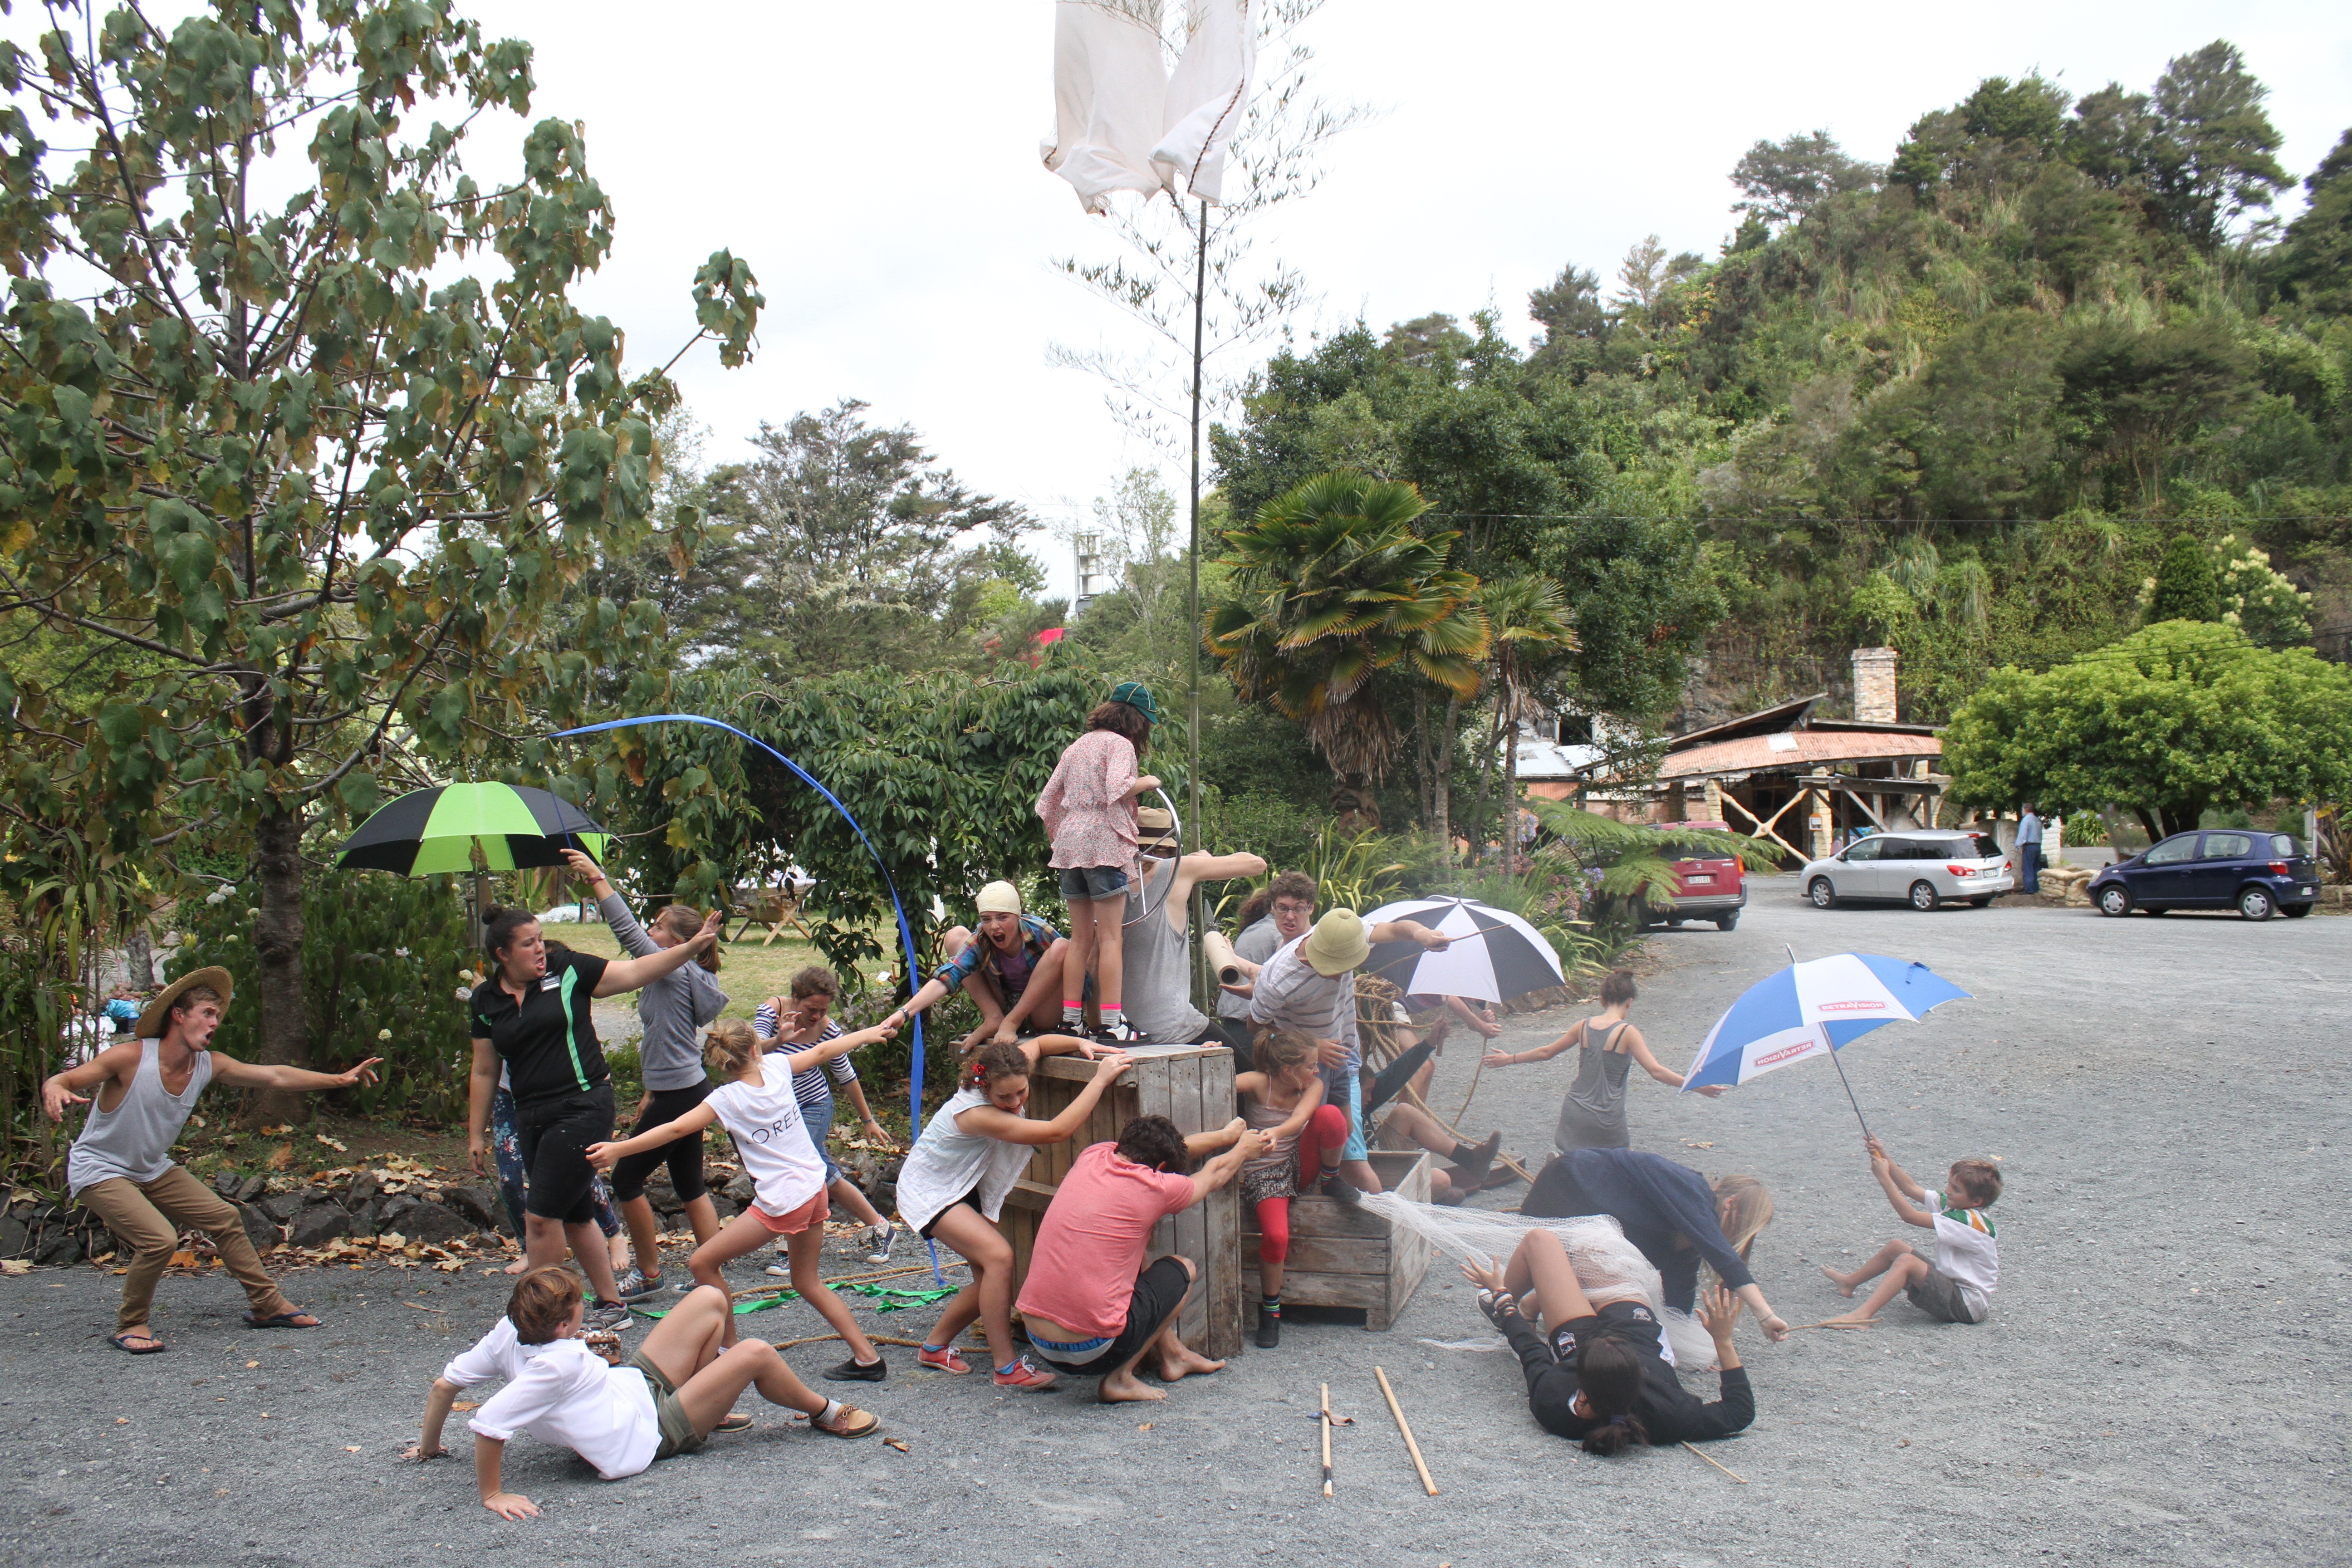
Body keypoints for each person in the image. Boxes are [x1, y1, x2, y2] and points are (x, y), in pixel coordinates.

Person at [41, 969, 383, 1353]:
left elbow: (274, 1076)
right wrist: (55, 1088)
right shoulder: (131, 1058)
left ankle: (267, 1306)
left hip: (152, 1166)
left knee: (225, 1219)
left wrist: (338, 1080)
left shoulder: (209, 1064)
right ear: (178, 1015)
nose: (214, 1023)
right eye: (206, 1013)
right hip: (100, 1168)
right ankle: (132, 1323)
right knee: (159, 1240)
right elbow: (65, 1080)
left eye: (217, 1016)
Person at [403, 1266, 876, 1519]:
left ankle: (714, 1402)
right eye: (578, 1308)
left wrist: (430, 1448)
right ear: (564, 1324)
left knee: (710, 1298)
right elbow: (489, 1423)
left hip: (631, 1390)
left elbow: (446, 1385)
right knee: (755, 1352)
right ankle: (824, 1411)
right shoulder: (557, 1362)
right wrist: (493, 1493)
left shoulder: (510, 1331)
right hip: (649, 1432)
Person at [588, 1017, 899, 1382]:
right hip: (815, 1188)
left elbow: (674, 1129)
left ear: (723, 1064)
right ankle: (868, 1358)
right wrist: (870, 1032)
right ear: (756, 1050)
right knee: (807, 1282)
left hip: (784, 1201)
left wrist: (619, 1148)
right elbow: (823, 1051)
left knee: (702, 1263)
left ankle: (730, 1349)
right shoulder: (779, 1068)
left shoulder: (726, 1098)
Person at [465, 903, 725, 1325]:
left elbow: (639, 971)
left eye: (540, 939)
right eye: (528, 944)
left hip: (583, 1104)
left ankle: (545, 1320)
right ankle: (613, 1306)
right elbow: (484, 1069)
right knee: (576, 1212)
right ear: (502, 955)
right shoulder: (485, 999)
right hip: (531, 1113)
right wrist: (477, 1134)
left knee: (541, 1218)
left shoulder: (567, 969)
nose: (539, 950)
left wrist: (693, 947)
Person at [888, 1037, 1132, 1391]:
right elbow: (1056, 1132)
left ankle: (934, 1348)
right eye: (1006, 1097)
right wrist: (1099, 1080)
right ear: (981, 1085)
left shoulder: (1010, 1070)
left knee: (988, 1276)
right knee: (1000, 1259)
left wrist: (1081, 1042)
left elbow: (1040, 1044)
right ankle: (1006, 1368)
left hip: (962, 1185)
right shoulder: (975, 1113)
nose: (1016, 1102)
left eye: (1022, 1091)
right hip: (931, 1191)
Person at [559, 850, 728, 1302]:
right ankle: (710, 1271)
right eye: (652, 927)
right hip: (683, 1087)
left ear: (675, 943)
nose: (650, 934)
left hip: (681, 1092)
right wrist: (651, 1091)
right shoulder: (682, 971)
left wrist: (597, 878)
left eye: (658, 929)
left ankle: (649, 1274)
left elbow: (626, 931)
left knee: (627, 1179)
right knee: (690, 1183)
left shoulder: (673, 969)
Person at [1014, 1113, 1263, 1401]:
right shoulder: (1155, 1188)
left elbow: (1181, 1149)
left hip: (1037, 1339)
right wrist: (1244, 1148)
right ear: (1160, 1169)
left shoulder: (1094, 1155)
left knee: (1133, 1248)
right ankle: (1119, 1379)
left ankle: (1174, 1355)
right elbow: (1215, 1174)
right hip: (1091, 1351)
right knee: (1183, 1270)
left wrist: (1225, 1136)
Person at [1462, 1230, 1754, 1452]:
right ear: (1639, 1378)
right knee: (1593, 1249)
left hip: (1576, 1339)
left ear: (1582, 1387)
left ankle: (1534, 1304)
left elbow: (1529, 1347)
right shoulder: (1669, 1412)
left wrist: (1501, 1296)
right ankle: (1567, 1286)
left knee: (1542, 1241)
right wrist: (1723, 1341)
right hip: (1639, 1334)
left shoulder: (1554, 1400)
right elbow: (1739, 1412)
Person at [1240, 906, 1450, 1196]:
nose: (1340, 974)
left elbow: (1398, 929)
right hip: (1305, 1063)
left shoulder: (1348, 932)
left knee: (1346, 1125)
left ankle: (1332, 1177)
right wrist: (1313, 1044)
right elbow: (1258, 1029)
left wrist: (1422, 934)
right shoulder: (1278, 979)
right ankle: (1302, 1190)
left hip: (1343, 1049)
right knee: (1311, 1129)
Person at [1520, 1147, 1790, 1339]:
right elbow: (1724, 1257)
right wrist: (1766, 1316)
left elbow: (1678, 1295)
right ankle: (1511, 1304)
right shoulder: (1692, 1190)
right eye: (1742, 1230)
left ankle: (1525, 1306)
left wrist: (1684, 1342)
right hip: (1569, 1186)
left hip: (1593, 1217)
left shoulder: (1689, 1240)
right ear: (1729, 1205)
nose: (1735, 1241)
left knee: (1606, 1296)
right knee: (1590, 1285)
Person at [1035, 681, 1162, 1042]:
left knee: (1080, 941)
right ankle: (1112, 1024)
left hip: (1070, 847)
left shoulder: (1076, 747)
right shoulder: (1119, 745)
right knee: (1110, 939)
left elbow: (1046, 803)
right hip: (1105, 846)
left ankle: (1071, 1020)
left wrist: (1064, 839)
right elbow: (1118, 788)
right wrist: (1147, 780)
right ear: (1137, 721)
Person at [1482, 969, 1722, 1154]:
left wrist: (1509, 1059)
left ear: (1602, 999)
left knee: (1576, 1164)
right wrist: (1696, 1086)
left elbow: (1546, 1052)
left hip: (1575, 1112)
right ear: (1630, 1001)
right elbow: (1657, 1072)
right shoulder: (1628, 1032)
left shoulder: (1583, 1026)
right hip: (1607, 1118)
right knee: (1615, 1165)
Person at [752, 966, 899, 1269]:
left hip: (813, 1105)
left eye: (823, 1010)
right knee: (823, 1172)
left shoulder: (828, 1030)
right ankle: (882, 1227)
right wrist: (780, 1039)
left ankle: (791, 1241)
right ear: (796, 998)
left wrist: (868, 1119)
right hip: (780, 1109)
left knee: (796, 1168)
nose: (817, 1016)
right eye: (811, 1009)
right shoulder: (772, 1011)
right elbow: (752, 1053)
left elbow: (846, 1076)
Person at [1233, 1029, 1343, 1347]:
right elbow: (1212, 1081)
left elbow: (1300, 1119)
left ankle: (1331, 1179)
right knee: (1277, 1237)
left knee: (1331, 1116)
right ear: (1287, 1071)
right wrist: (1210, 1055)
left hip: (1296, 1162)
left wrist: (1276, 1133)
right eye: (1311, 1065)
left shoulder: (1314, 1086)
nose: (1317, 1071)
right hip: (1264, 1173)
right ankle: (1271, 1312)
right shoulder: (1257, 1082)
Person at [1820, 1137, 2001, 1326]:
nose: (1948, 1191)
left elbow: (1909, 1216)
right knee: (1896, 1248)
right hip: (1953, 1288)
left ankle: (1862, 1317)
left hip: (1967, 1306)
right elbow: (1910, 1188)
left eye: (1956, 1189)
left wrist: (1884, 1178)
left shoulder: (1969, 1222)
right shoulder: (1959, 1206)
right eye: (1949, 1184)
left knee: (1907, 1262)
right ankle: (1849, 1283)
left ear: (1977, 1201)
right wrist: (1883, 1155)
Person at [1117, 837, 1267, 1052]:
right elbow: (1257, 864)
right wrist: (1204, 862)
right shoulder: (1177, 869)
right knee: (1252, 1080)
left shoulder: (1110, 881)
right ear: (1168, 849)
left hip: (1122, 1028)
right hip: (1172, 1026)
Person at [895, 882, 1071, 1050]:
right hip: (1005, 1002)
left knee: (1063, 946)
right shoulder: (981, 938)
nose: (994, 926)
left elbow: (1079, 976)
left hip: (1041, 1010)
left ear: (1018, 916)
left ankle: (1011, 1022)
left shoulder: (1040, 932)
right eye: (986, 919)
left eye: (1003, 918)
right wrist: (904, 1012)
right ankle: (993, 1017)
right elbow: (952, 973)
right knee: (956, 935)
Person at [2017, 804, 2044, 894]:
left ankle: (2029, 889)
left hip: (2029, 845)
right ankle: (2036, 888)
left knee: (2028, 868)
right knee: (2036, 867)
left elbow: (2023, 834)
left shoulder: (2026, 820)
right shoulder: (2037, 820)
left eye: (2023, 810)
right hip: (2038, 845)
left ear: (2026, 810)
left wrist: (2019, 845)